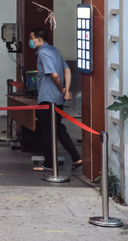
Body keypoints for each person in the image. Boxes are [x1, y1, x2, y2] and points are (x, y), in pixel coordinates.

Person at [29, 27, 82, 172]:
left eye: (31, 38)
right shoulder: (54, 50)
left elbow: (54, 75)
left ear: (38, 39)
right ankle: (76, 157)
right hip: (57, 99)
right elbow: (67, 70)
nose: (30, 42)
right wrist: (66, 90)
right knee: (58, 129)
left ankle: (49, 163)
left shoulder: (43, 53)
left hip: (47, 98)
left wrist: (62, 89)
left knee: (47, 131)